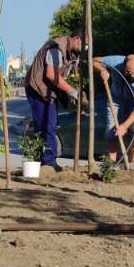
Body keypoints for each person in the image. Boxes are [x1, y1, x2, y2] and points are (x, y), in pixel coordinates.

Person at [25, 32, 82, 172]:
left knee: (51, 125)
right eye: (85, 43)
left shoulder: (72, 53)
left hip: (49, 91)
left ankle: (47, 161)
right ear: (77, 39)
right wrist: (72, 91)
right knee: (44, 126)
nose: (85, 47)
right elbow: (51, 74)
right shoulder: (56, 48)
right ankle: (46, 162)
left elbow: (66, 74)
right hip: (37, 88)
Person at [94, 52, 134, 167]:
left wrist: (124, 126)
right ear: (124, 66)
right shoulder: (116, 62)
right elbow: (93, 61)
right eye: (129, 72)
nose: (132, 76)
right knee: (112, 130)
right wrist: (103, 70)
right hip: (115, 99)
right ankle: (111, 163)